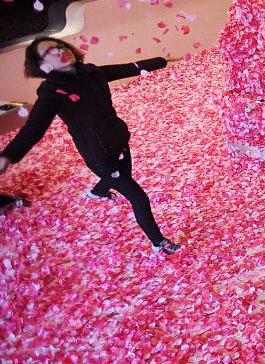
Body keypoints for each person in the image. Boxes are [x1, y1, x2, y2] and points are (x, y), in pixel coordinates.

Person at [0, 37, 181, 254]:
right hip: (98, 155)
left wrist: (163, 60)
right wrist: (8, 156)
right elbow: (34, 129)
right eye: (50, 52)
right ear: (40, 65)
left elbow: (129, 68)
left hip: (119, 141)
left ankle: (97, 192)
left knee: (121, 178)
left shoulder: (91, 72)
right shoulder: (51, 93)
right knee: (138, 197)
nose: (59, 51)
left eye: (61, 46)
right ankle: (159, 243)